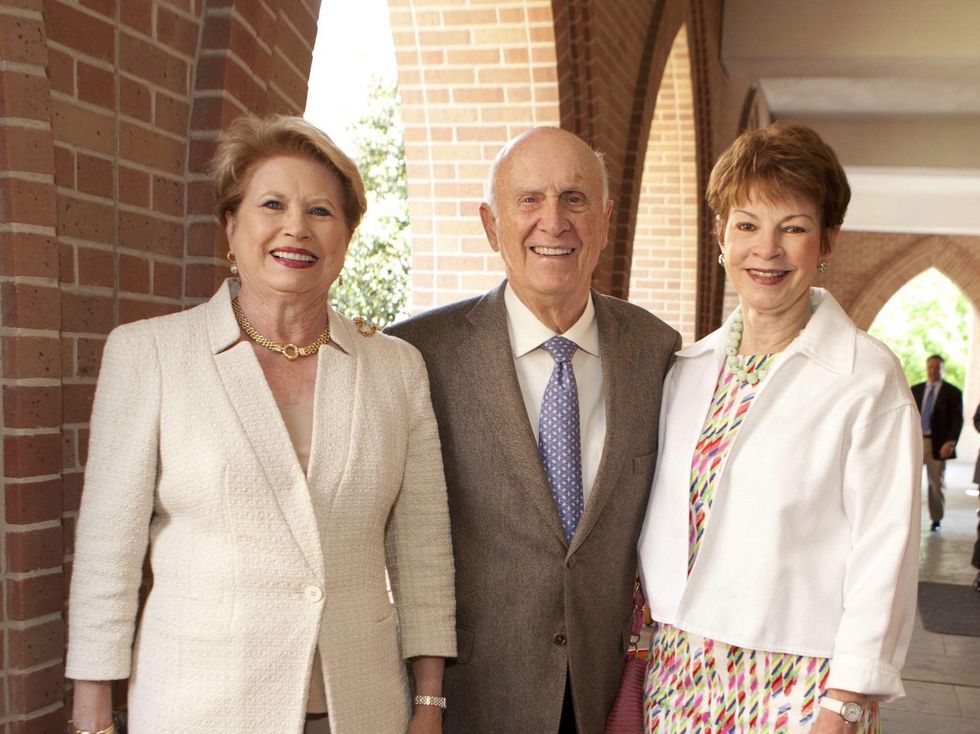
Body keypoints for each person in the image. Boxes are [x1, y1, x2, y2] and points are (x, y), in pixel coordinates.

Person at [65, 114, 456, 734]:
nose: (295, 227)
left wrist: (428, 703)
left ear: (347, 237)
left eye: (322, 211)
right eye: (272, 204)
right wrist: (92, 716)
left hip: (359, 709)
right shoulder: (151, 355)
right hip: (196, 708)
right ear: (231, 225)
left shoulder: (396, 369)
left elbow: (424, 550)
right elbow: (107, 555)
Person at [388, 127, 680, 733]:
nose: (553, 221)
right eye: (529, 200)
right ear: (491, 225)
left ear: (604, 220)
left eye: (574, 199)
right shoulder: (419, 354)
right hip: (469, 696)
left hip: (609, 694)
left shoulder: (659, 352)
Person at [638, 121, 920, 733]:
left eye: (792, 227)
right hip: (679, 675)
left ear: (826, 241)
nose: (766, 249)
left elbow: (886, 553)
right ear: (721, 236)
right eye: (747, 225)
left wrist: (844, 705)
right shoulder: (686, 370)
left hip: (800, 689)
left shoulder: (867, 378)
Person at [911, 354, 964, 531]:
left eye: (937, 367)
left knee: (936, 484)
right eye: (930, 367)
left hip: (937, 443)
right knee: (909, 481)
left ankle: (936, 519)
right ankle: (907, 517)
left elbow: (957, 420)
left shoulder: (953, 392)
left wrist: (950, 442)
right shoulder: (915, 390)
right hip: (916, 441)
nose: (933, 370)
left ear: (943, 369)